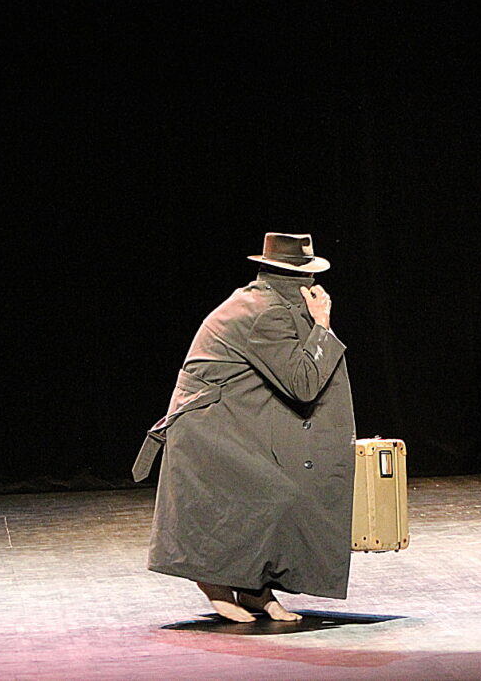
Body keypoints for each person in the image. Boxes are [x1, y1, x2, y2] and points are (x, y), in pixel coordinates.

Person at [132, 233, 355, 622]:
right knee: (274, 492)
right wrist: (322, 326)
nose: (312, 288)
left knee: (278, 492)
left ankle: (255, 589)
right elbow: (302, 383)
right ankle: (214, 582)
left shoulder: (268, 301)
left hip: (232, 419)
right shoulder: (265, 311)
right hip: (207, 428)